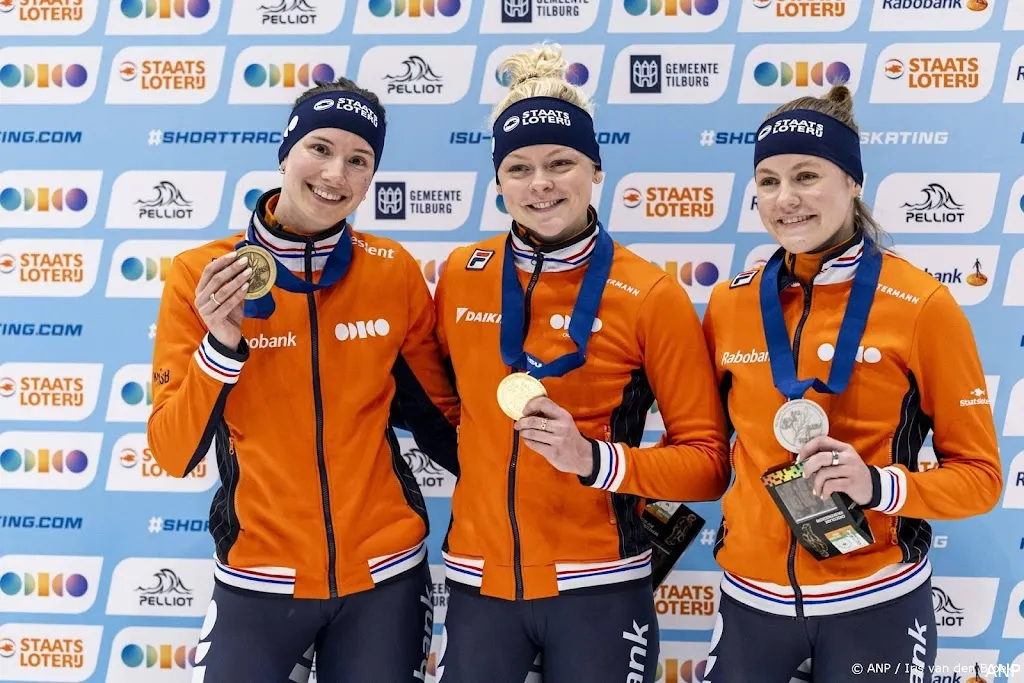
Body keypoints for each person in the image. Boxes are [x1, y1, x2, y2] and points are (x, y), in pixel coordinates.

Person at [429, 43, 731, 683]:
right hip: (479, 581)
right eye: (519, 168)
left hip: (601, 586)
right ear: (499, 182)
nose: (540, 184)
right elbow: (449, 409)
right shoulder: (461, 274)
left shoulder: (650, 294)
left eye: (560, 163)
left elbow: (708, 465)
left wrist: (595, 460)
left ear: (595, 169)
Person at [146, 76, 460, 682]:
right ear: (286, 152)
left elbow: (443, 423)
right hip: (259, 578)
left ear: (371, 176)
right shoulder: (202, 274)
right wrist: (222, 344)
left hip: (385, 577)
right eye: (320, 148)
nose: (335, 174)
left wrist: (567, 489)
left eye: (359, 159)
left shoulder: (391, 272)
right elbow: (172, 452)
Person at [700, 83, 1003, 682]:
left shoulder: (922, 306)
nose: (786, 198)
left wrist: (877, 486)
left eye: (807, 176)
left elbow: (982, 479)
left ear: (853, 181)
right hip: (749, 602)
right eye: (768, 181)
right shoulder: (730, 304)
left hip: (876, 602)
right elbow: (703, 449)